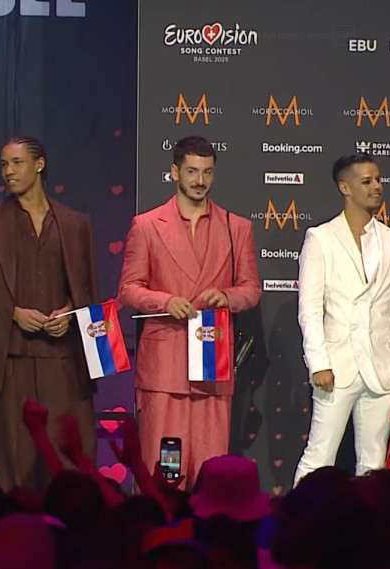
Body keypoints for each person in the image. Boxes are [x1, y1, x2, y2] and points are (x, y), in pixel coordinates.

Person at [0, 136, 99, 491]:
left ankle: (72, 520)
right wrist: (13, 313)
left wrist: (71, 312)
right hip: (11, 357)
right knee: (16, 459)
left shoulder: (75, 223)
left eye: (16, 163)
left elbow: (89, 289)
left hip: (64, 359)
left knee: (70, 455)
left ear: (39, 165)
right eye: (4, 165)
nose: (8, 172)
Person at [118, 135, 261, 484]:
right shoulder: (147, 225)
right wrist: (165, 301)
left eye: (207, 172)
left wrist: (226, 296)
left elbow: (251, 289)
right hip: (164, 365)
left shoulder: (236, 227)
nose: (200, 180)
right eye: (192, 171)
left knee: (211, 471)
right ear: (174, 172)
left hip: (212, 360)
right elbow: (128, 289)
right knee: (164, 472)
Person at [293, 153, 390, 486]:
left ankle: (369, 519)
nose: (376, 187)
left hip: (382, 369)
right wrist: (319, 363)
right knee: (319, 456)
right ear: (344, 187)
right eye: (366, 181)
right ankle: (298, 516)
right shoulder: (320, 238)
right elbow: (309, 309)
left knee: (374, 463)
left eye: (378, 180)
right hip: (337, 367)